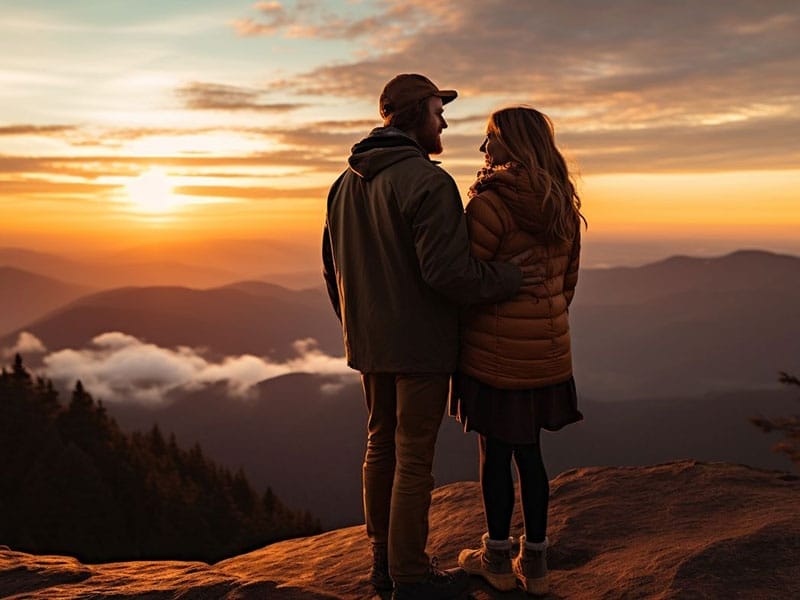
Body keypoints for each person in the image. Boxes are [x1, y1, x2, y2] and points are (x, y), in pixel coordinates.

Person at [322, 75, 542, 600]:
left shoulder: (344, 183)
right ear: (416, 113)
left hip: (370, 342)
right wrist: (512, 278)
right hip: (420, 344)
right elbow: (449, 274)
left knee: (380, 447)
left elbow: (333, 269)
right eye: (438, 109)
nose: (444, 120)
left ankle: (383, 562)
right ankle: (411, 576)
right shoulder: (428, 182)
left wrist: (356, 324)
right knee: (414, 457)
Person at [452, 106, 585, 596]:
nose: (483, 149)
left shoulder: (490, 205)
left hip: (495, 353)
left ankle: (498, 559)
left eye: (490, 139)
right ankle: (540, 563)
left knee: (494, 455)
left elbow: (467, 283)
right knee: (530, 454)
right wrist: (542, 319)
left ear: (512, 143)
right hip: (549, 353)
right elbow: (566, 286)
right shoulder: (561, 205)